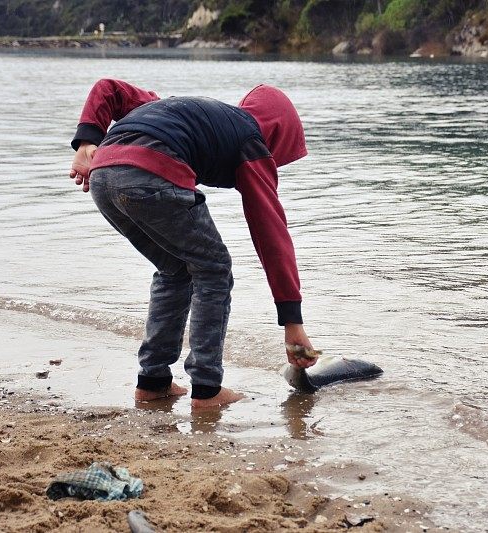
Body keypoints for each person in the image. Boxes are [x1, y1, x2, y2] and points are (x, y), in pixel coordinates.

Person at [68, 79, 317, 409]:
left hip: (103, 176)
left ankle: (153, 382)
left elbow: (109, 89)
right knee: (214, 269)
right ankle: (206, 387)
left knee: (174, 269)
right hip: (151, 171)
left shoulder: (176, 109)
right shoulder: (252, 142)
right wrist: (292, 322)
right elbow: (272, 235)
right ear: (278, 135)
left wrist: (89, 139)